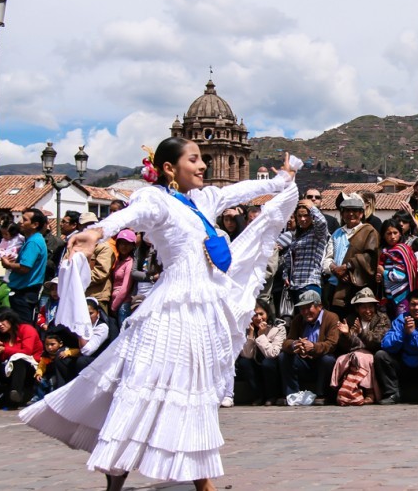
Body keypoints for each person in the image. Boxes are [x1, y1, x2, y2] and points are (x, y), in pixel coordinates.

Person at [20, 137, 299, 491]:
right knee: (142, 382)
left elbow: (242, 191)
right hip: (170, 307)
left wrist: (280, 181)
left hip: (203, 308)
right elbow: (130, 216)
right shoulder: (155, 200)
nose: (202, 166)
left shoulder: (204, 199)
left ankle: (202, 483)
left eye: (202, 159)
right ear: (169, 168)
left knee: (194, 389)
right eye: (194, 159)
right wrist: (96, 231)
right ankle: (117, 474)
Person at [374, 290, 418, 405]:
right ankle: (392, 393)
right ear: (408, 306)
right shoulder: (400, 320)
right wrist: (403, 332)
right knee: (381, 355)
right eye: (413, 304)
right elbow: (386, 344)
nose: (416, 308)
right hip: (404, 363)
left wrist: (413, 333)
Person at [331, 287, 391, 405]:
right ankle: (345, 392)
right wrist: (346, 335)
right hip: (354, 353)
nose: (368, 310)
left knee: (362, 358)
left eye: (370, 307)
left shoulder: (382, 319)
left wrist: (361, 334)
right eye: (363, 307)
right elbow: (345, 346)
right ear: (357, 309)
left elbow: (377, 341)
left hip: (374, 353)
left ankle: (370, 392)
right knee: (341, 359)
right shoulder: (350, 320)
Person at [279, 290, 339, 405]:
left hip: (320, 361)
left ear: (319, 306)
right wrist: (294, 344)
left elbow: (332, 343)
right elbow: (287, 342)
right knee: (284, 356)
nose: (305, 312)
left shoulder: (331, 318)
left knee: (328, 359)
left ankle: (321, 394)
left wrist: (313, 347)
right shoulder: (298, 319)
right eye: (302, 308)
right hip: (304, 362)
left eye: (308, 307)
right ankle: (292, 394)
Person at [323, 195, 379, 318]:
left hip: (357, 287)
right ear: (342, 214)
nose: (351, 214)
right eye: (347, 211)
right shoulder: (337, 233)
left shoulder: (369, 231)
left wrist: (347, 267)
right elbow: (327, 258)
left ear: (361, 214)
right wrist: (335, 269)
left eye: (355, 211)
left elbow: (370, 257)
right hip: (335, 286)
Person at [0, 308, 43, 409]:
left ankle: (16, 393)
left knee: (19, 360)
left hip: (29, 369)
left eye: (2, 320)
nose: (0, 325)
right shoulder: (2, 336)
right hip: (8, 370)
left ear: (10, 319)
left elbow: (27, 352)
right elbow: (1, 357)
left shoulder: (27, 329)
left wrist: (5, 349)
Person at [1, 209, 49, 325]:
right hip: (24, 292)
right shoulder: (32, 240)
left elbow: (25, 268)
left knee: (23, 327)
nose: (20, 222)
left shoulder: (33, 242)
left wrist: (8, 264)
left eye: (25, 220)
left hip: (24, 293)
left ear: (35, 225)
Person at [53, 297, 114, 387]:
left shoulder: (102, 327)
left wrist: (80, 331)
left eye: (91, 313)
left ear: (98, 313)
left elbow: (87, 351)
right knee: (60, 357)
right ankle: (63, 388)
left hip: (98, 361)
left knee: (82, 361)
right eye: (84, 314)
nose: (87, 317)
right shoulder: (79, 324)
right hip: (80, 357)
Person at [235, 298, 285, 406]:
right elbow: (246, 355)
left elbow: (273, 353)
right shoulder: (247, 328)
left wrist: (262, 335)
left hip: (272, 364)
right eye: (255, 315)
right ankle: (258, 395)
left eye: (261, 314)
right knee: (244, 362)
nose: (258, 318)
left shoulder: (278, 328)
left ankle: (272, 396)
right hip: (256, 362)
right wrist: (251, 335)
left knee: (267, 363)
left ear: (267, 312)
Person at [282, 199, 329, 307]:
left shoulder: (317, 234)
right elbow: (290, 259)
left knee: (312, 318)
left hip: (310, 283)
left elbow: (322, 223)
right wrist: (285, 275)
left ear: (312, 216)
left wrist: (312, 207)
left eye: (306, 215)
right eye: (299, 216)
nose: (303, 219)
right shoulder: (296, 236)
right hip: (294, 285)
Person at [377, 219, 418, 318]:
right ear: (383, 235)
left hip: (402, 296)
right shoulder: (385, 252)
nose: (392, 236)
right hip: (389, 297)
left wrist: (383, 273)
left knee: (401, 324)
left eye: (395, 233)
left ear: (400, 234)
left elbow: (400, 275)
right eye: (389, 233)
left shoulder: (401, 250)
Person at [78, 212, 115, 313]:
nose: (88, 228)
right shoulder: (76, 246)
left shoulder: (104, 247)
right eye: (85, 225)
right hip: (77, 295)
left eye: (91, 225)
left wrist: (77, 279)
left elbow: (100, 273)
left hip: (97, 296)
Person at [29, 332, 79, 405]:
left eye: (52, 344)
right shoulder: (45, 355)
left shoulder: (65, 350)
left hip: (59, 374)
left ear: (60, 344)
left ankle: (53, 399)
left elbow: (78, 351)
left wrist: (68, 353)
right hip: (49, 373)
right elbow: (41, 365)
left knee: (53, 382)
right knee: (40, 381)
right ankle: (38, 399)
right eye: (47, 345)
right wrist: (39, 373)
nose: (49, 347)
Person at [110, 229, 137, 327]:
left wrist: (113, 307)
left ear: (133, 245)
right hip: (115, 302)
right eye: (121, 243)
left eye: (127, 243)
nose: (124, 246)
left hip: (123, 305)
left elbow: (125, 288)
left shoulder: (130, 262)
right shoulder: (118, 261)